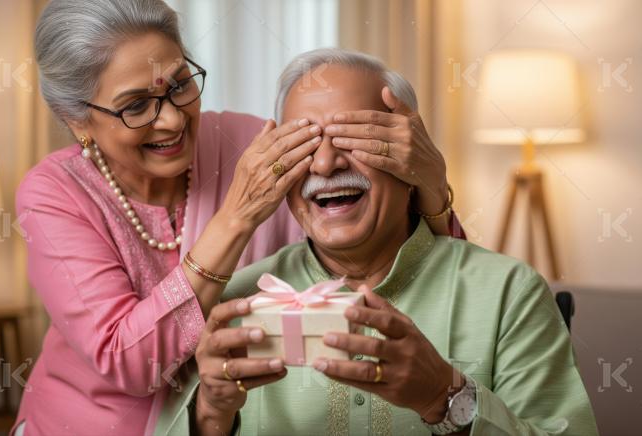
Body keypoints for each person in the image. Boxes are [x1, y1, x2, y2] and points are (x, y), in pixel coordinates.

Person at [14, 1, 461, 434]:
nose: (171, 119)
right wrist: (237, 217)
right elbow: (130, 363)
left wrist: (430, 184)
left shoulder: (251, 141)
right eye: (136, 106)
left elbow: (408, 262)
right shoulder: (52, 194)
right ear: (77, 121)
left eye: (179, 84)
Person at [154, 48, 599, 436]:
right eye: (304, 145)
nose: (325, 164)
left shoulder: (509, 294)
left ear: (409, 156)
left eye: (353, 137)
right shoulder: (238, 305)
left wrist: (445, 398)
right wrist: (211, 412)